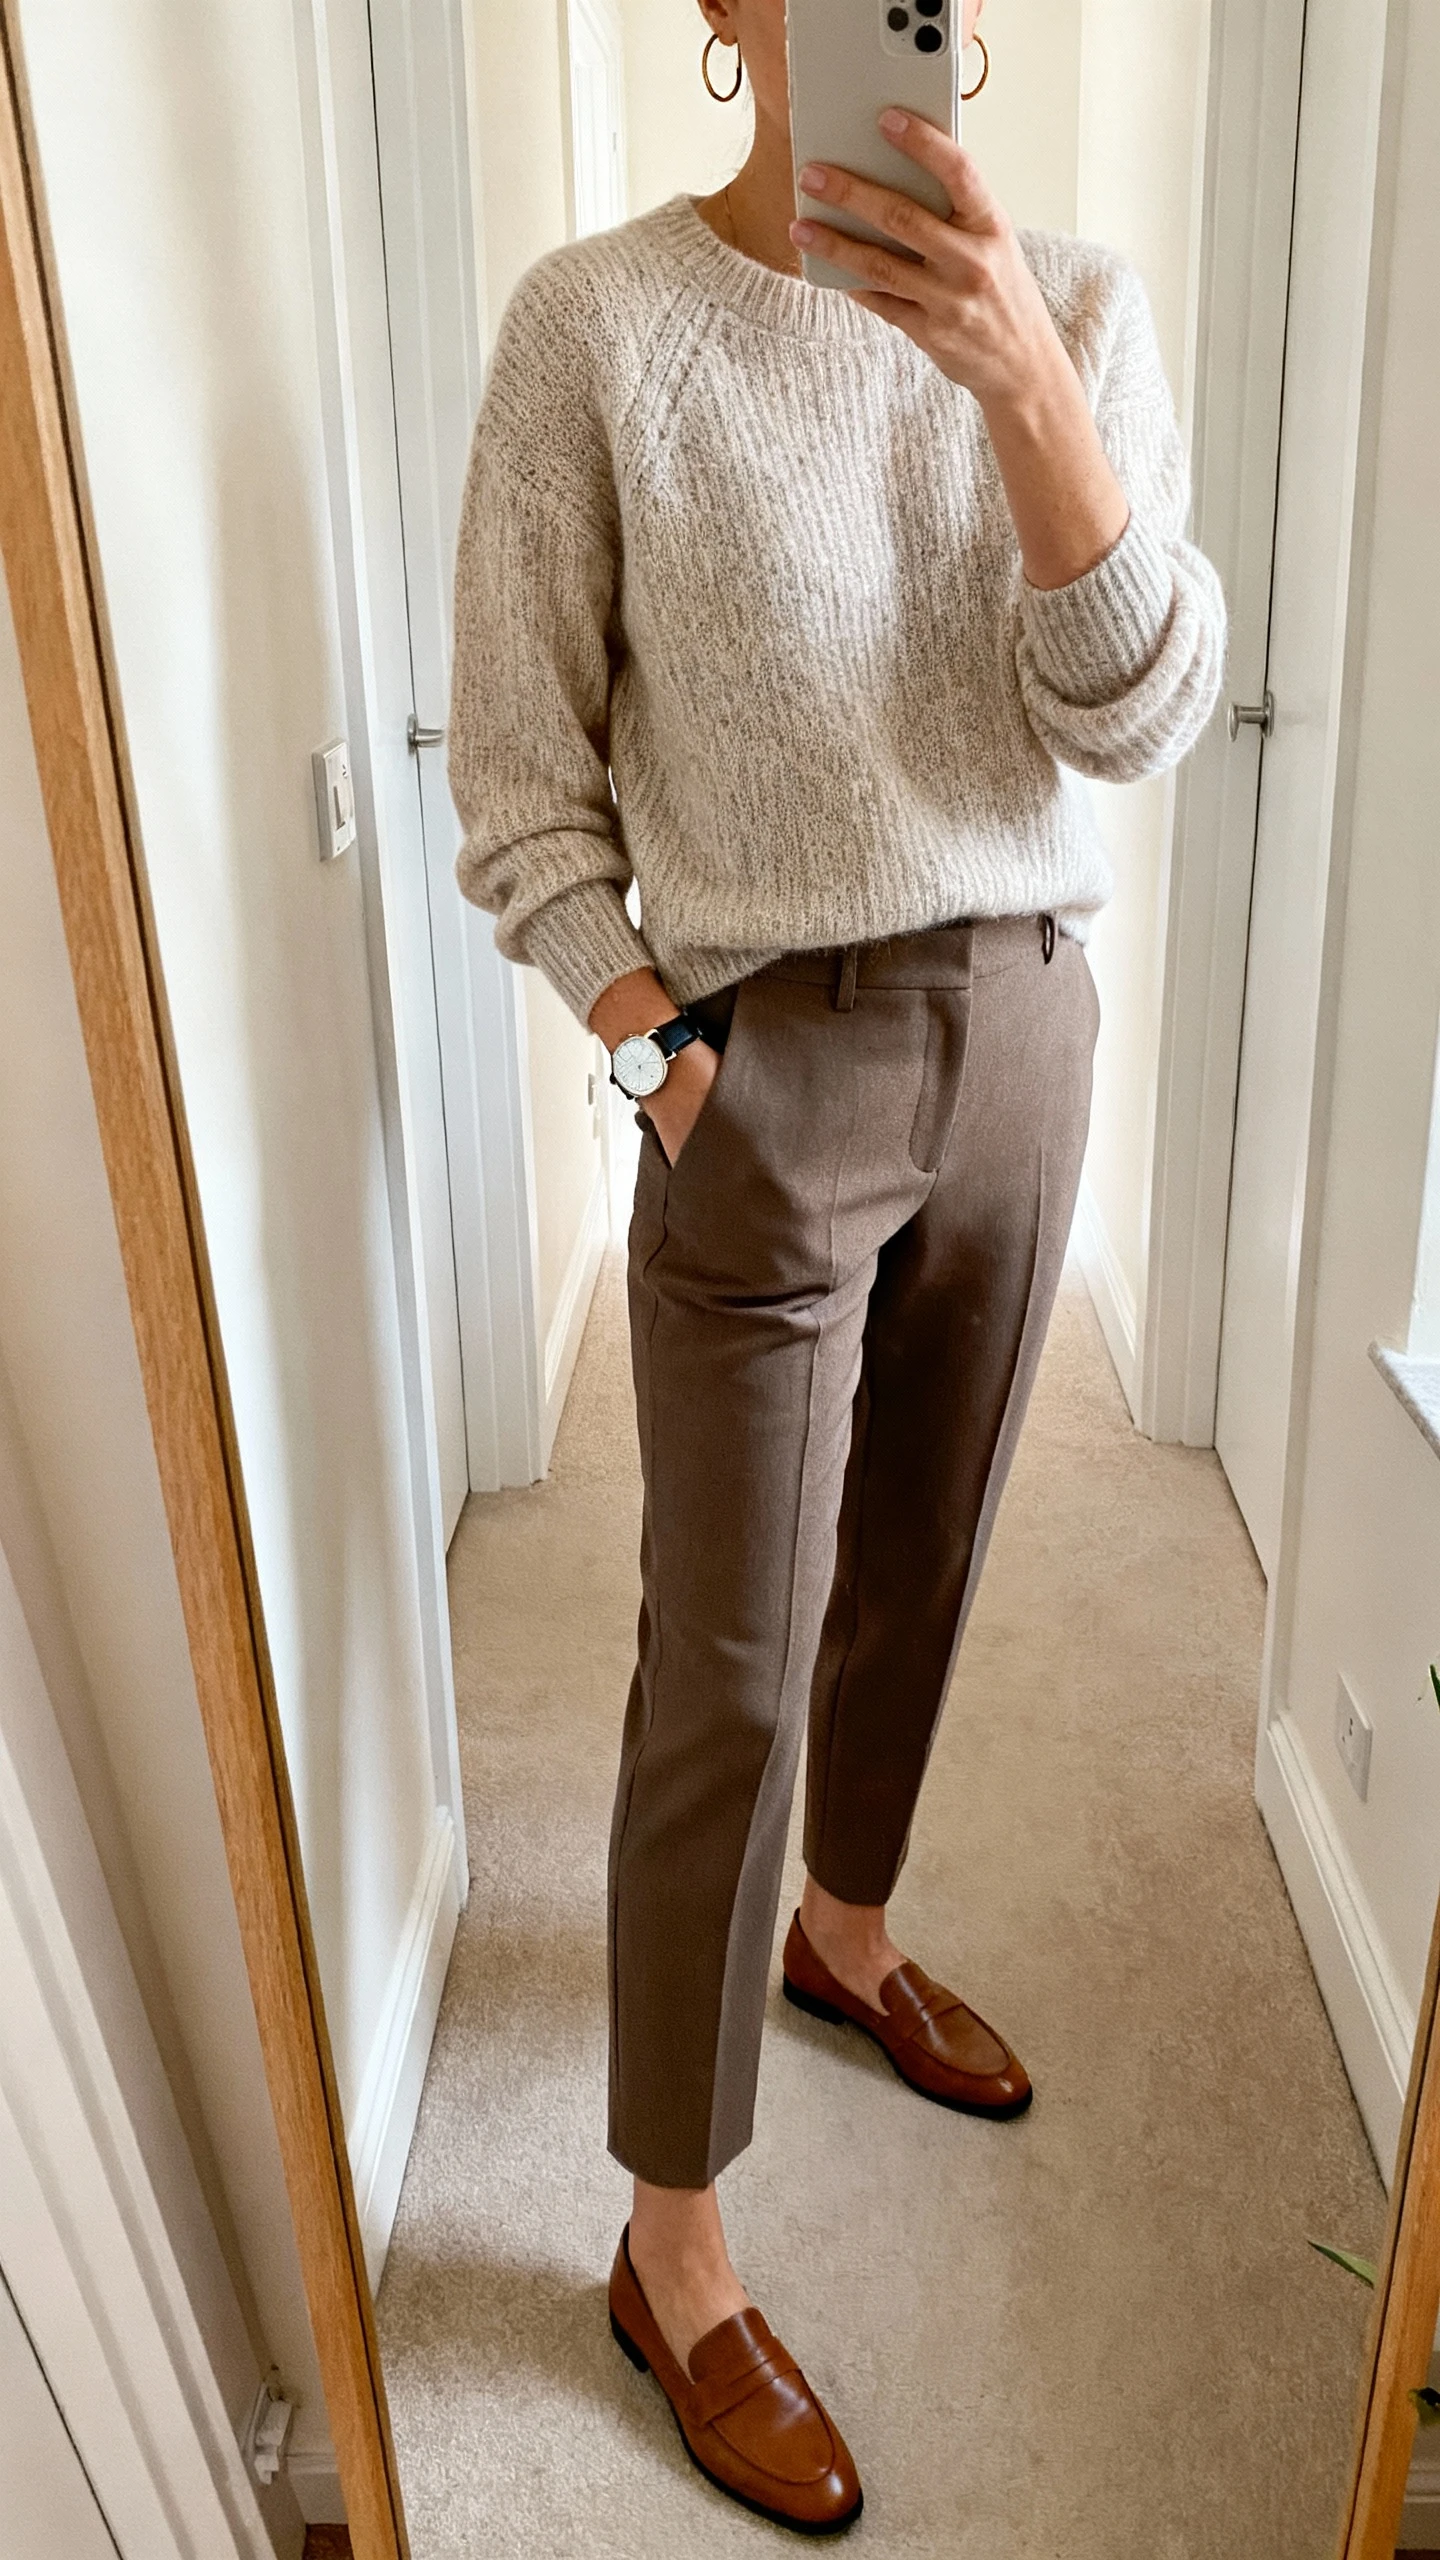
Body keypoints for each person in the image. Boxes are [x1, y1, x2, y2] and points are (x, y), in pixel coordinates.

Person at [449, 0, 1225, 2531]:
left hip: (1025, 1022)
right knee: (725, 1657)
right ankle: (668, 2241)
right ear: (723, 14)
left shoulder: (1074, 303)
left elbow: (1136, 709)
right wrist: (669, 1046)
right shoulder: (597, 327)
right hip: (762, 1061)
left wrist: (1021, 391)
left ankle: (852, 1930)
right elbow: (520, 768)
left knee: (926, 1565)